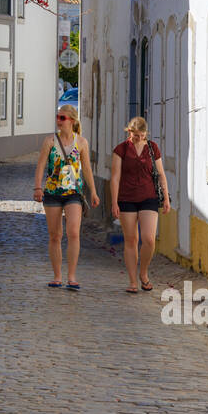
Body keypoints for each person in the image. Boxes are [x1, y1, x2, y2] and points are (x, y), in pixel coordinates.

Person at [33, 103, 100, 290]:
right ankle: (57, 276)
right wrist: (37, 188)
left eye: (62, 118)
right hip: (53, 192)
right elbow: (40, 165)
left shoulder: (82, 143)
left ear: (72, 120)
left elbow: (86, 169)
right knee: (55, 235)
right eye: (57, 117)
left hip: (74, 193)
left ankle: (71, 276)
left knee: (73, 233)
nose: (58, 121)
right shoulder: (50, 141)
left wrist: (93, 191)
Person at [109, 117, 170, 292]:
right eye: (136, 135)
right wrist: (114, 202)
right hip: (126, 197)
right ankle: (132, 281)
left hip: (148, 196)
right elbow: (115, 177)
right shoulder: (121, 150)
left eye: (142, 135)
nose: (139, 138)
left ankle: (143, 273)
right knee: (131, 240)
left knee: (149, 239)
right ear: (129, 132)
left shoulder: (152, 148)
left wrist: (165, 198)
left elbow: (161, 174)